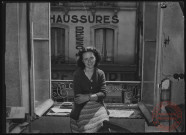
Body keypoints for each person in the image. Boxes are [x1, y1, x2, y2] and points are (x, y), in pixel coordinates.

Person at [70, 46, 109, 133]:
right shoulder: (77, 74)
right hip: (81, 107)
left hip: (98, 106)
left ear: (96, 58)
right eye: (86, 59)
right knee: (85, 125)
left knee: (104, 124)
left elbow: (103, 94)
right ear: (82, 61)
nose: (89, 61)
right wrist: (95, 96)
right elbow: (78, 97)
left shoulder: (100, 73)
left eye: (91, 57)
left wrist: (88, 97)